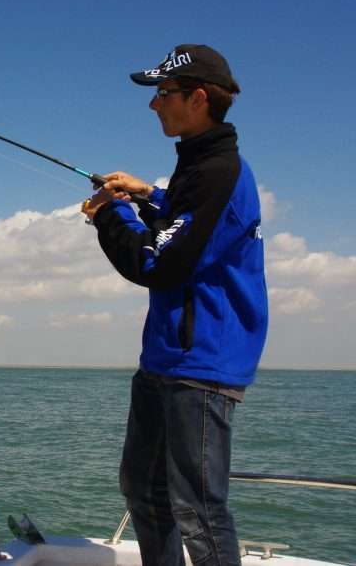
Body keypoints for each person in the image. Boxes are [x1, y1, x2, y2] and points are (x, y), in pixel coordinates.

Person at [81, 44, 268, 566]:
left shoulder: (219, 170)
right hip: (166, 359)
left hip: (200, 365)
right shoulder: (196, 166)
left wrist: (108, 217)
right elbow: (185, 220)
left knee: (199, 512)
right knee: (143, 490)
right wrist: (147, 194)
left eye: (163, 94)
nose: (153, 105)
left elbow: (159, 263)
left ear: (199, 98)